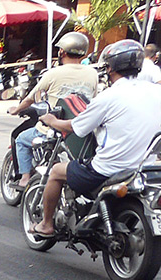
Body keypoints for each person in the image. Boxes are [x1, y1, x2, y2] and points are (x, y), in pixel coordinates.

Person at [30, 40, 161, 239]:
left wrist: (52, 120)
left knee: (56, 171)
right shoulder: (156, 92)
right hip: (145, 169)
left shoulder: (109, 96)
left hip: (108, 170)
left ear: (110, 68)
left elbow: (76, 128)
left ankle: (46, 225)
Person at [8, 32, 98, 189]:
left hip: (52, 127)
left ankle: (24, 178)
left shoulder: (54, 73)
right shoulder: (92, 73)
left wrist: (16, 110)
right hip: (78, 127)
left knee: (21, 139)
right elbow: (93, 99)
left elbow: (29, 98)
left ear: (62, 51)